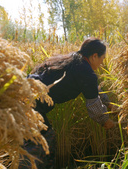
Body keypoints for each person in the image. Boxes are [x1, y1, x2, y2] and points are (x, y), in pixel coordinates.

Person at [19, 37, 116, 169]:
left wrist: (109, 104)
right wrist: (105, 121)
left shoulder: (73, 60)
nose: (102, 63)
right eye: (102, 58)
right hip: (31, 104)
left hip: (22, 95)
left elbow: (95, 89)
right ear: (94, 56)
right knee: (42, 141)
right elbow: (94, 106)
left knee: (41, 139)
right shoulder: (86, 72)